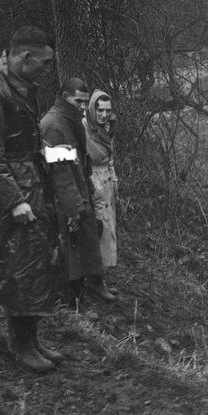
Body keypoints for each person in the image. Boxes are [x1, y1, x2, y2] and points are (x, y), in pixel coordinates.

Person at [0, 26, 62, 372]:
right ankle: (19, 344)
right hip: (12, 192)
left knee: (35, 261)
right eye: (45, 62)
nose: (48, 69)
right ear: (25, 57)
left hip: (30, 183)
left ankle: (31, 339)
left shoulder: (17, 86)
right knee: (17, 265)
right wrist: (14, 200)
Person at [41, 77, 117, 305]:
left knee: (89, 235)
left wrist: (89, 186)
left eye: (86, 102)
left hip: (79, 184)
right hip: (65, 193)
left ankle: (93, 283)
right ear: (64, 97)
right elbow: (59, 171)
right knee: (71, 243)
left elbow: (79, 158)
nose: (83, 107)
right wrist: (73, 205)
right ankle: (70, 296)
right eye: (78, 101)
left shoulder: (70, 119)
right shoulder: (53, 124)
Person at [84, 90, 119, 281]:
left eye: (107, 110)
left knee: (107, 227)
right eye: (99, 110)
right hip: (92, 178)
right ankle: (93, 278)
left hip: (106, 179)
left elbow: (110, 157)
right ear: (92, 108)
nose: (104, 115)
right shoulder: (83, 126)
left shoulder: (108, 126)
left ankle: (100, 275)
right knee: (96, 227)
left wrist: (114, 179)